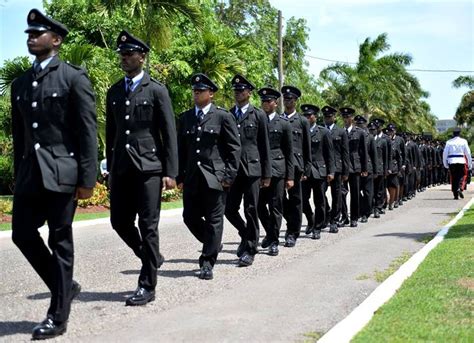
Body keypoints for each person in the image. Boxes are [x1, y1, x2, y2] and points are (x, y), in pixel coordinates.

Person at [11, 9, 97, 339]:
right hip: (31, 176)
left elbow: (87, 131)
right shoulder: (20, 83)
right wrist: (20, 175)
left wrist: (87, 179)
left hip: (63, 173)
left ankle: (58, 316)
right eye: (29, 33)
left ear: (56, 40)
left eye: (38, 33)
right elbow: (21, 136)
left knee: (60, 241)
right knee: (21, 234)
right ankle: (65, 285)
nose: (31, 37)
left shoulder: (73, 77)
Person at [106, 31, 178, 305]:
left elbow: (168, 133)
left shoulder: (156, 89)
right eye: (121, 54)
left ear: (142, 57)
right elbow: (112, 136)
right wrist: (110, 170)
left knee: (148, 226)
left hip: (149, 167)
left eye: (129, 53)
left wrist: (170, 172)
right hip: (122, 168)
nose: (124, 58)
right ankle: (152, 257)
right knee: (119, 222)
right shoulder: (114, 91)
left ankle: (147, 286)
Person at [177, 73, 241, 280]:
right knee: (189, 217)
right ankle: (212, 242)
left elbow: (233, 149)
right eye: (194, 91)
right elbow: (181, 150)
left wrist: (229, 176)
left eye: (201, 91)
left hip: (215, 177)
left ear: (211, 94)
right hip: (192, 178)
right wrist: (179, 176)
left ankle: (207, 262)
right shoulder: (186, 117)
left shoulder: (223, 116)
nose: (196, 94)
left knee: (215, 220)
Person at [225, 75, 271, 267]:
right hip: (234, 170)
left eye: (241, 90)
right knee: (229, 209)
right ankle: (246, 234)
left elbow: (264, 145)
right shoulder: (228, 114)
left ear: (249, 93)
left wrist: (266, 174)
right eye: (235, 90)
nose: (238, 93)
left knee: (251, 209)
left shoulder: (258, 114)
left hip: (252, 168)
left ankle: (250, 249)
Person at [257, 87, 294, 256]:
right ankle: (270, 233)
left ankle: (274, 241)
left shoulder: (284, 123)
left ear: (275, 102)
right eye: (263, 101)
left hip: (278, 170)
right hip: (259, 170)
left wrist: (290, 176)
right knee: (258, 206)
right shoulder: (257, 119)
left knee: (276, 206)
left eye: (268, 101)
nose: (265, 103)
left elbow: (289, 152)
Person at [281, 86, 311, 247]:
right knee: (278, 199)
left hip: (297, 167)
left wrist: (306, 169)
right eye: (285, 99)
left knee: (296, 200)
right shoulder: (278, 119)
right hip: (280, 165)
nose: (287, 101)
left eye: (290, 99)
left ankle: (293, 232)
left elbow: (307, 147)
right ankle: (290, 221)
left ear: (295, 101)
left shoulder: (302, 121)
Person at [302, 104, 335, 239]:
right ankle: (311, 219)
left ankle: (318, 227)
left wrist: (331, 171)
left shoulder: (323, 132)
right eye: (305, 115)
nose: (307, 118)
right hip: (304, 172)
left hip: (319, 171)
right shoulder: (300, 130)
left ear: (315, 117)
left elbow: (330, 154)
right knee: (303, 200)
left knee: (319, 201)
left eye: (309, 115)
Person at [322, 106, 350, 232]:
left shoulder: (341, 132)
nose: (327, 119)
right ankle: (326, 214)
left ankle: (334, 219)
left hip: (338, 168)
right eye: (325, 117)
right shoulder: (320, 130)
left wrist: (345, 171)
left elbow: (345, 152)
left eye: (329, 117)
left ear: (334, 117)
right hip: (322, 167)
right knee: (320, 194)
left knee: (336, 195)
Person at [339, 107, 368, 227]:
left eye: (348, 117)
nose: (346, 119)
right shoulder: (340, 132)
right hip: (342, 167)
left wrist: (364, 168)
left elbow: (363, 152)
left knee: (355, 193)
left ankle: (354, 217)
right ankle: (344, 216)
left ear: (352, 118)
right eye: (344, 117)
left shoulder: (359, 132)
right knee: (342, 193)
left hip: (355, 166)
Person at [355, 115, 377, 223]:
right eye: (357, 124)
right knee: (357, 192)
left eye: (361, 124)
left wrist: (375, 171)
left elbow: (374, 155)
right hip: (357, 168)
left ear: (365, 125)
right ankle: (359, 211)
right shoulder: (354, 135)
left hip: (368, 169)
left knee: (368, 193)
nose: (359, 126)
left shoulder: (370, 137)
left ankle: (366, 213)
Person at [443, 127, 472, 199]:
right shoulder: (463, 141)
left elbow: (445, 153)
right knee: (461, 175)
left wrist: (445, 163)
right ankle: (460, 188)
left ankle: (455, 194)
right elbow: (468, 153)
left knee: (453, 177)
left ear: (453, 134)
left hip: (452, 161)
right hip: (461, 161)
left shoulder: (449, 142)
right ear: (459, 134)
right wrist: (469, 163)